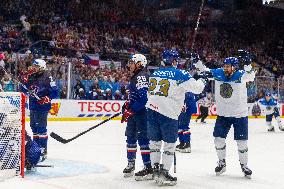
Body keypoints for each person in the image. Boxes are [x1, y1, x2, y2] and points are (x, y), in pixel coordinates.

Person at [146, 50, 205, 186]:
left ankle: (155, 170)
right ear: (174, 61)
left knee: (154, 143)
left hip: (152, 110)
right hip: (168, 113)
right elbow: (197, 89)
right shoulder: (180, 73)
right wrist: (203, 78)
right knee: (169, 144)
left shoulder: (156, 72)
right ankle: (164, 173)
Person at [195, 56, 255, 179]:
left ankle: (244, 165)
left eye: (227, 66)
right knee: (218, 139)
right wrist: (198, 62)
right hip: (223, 115)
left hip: (240, 115)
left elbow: (251, 76)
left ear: (234, 67)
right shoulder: (218, 73)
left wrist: (248, 64)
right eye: (225, 65)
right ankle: (222, 162)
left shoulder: (241, 75)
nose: (225, 68)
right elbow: (204, 71)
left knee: (242, 143)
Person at [121, 54, 152, 181]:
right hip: (135, 113)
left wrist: (132, 110)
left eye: (132, 62)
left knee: (143, 139)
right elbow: (135, 96)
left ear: (139, 64)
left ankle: (148, 166)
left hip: (142, 113)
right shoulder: (136, 76)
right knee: (130, 137)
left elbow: (145, 99)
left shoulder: (142, 76)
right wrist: (128, 105)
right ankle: (131, 163)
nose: (129, 65)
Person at [21, 59, 57, 162]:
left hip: (42, 107)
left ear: (41, 67)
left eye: (36, 66)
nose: (34, 68)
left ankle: (43, 150)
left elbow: (54, 92)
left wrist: (46, 98)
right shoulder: (32, 76)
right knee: (34, 128)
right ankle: (36, 149)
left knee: (41, 128)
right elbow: (24, 89)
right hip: (33, 105)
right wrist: (24, 81)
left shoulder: (48, 77)